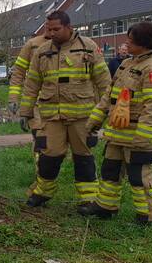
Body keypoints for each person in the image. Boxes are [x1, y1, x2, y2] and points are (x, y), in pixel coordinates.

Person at [79, 21, 152, 224]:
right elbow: (109, 95)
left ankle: (148, 214)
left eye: (130, 41)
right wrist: (94, 120)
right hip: (117, 134)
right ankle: (106, 206)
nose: (126, 43)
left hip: (138, 136)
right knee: (110, 170)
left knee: (139, 176)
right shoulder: (127, 64)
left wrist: (144, 136)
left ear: (144, 43)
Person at [19, 10, 111, 208]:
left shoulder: (88, 47)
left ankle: (88, 198)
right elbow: (32, 84)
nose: (51, 33)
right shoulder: (42, 51)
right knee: (49, 155)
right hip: (52, 116)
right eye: (48, 29)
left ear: (69, 27)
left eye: (56, 29)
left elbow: (104, 82)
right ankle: (43, 192)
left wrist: (107, 109)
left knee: (83, 156)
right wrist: (25, 112)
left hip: (82, 116)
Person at [7, 30, 50, 117]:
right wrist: (13, 98)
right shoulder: (33, 45)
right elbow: (18, 72)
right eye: (48, 26)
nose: (51, 31)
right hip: (38, 104)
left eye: (56, 29)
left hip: (72, 110)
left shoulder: (77, 45)